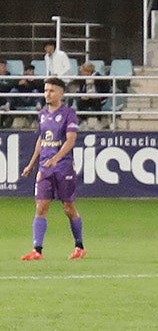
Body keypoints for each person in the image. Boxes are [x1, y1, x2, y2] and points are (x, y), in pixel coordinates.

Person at [20, 78, 85, 260]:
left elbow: (70, 140)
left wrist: (56, 159)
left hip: (63, 167)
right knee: (41, 207)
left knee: (68, 208)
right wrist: (32, 164)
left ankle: (79, 246)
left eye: (52, 90)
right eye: (46, 90)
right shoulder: (42, 114)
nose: (48, 93)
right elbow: (41, 141)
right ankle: (37, 250)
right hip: (45, 168)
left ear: (61, 93)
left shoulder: (69, 114)